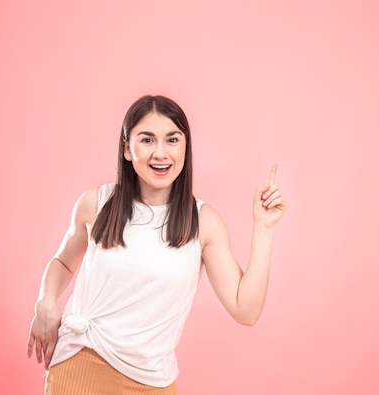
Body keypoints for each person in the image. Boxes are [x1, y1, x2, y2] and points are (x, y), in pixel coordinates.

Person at [26, 94, 286, 394]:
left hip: (153, 381)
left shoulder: (203, 222)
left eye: (172, 140)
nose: (160, 153)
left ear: (185, 148)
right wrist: (45, 302)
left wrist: (264, 229)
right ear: (127, 148)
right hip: (80, 366)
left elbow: (246, 310)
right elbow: (63, 262)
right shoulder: (96, 203)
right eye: (147, 140)